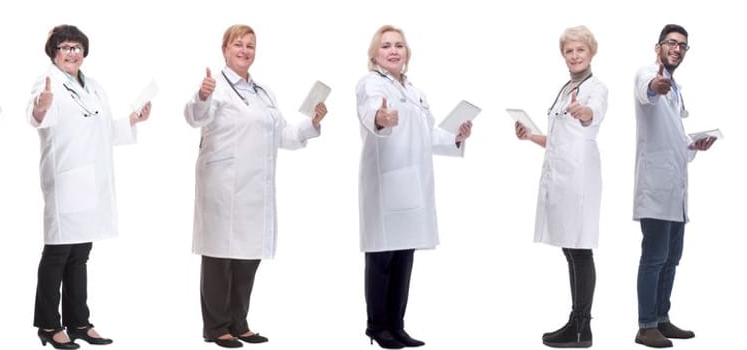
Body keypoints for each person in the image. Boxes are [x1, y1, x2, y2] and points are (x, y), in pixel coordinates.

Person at [182, 24, 324, 349]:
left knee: (247, 257)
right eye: (238, 45)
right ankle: (216, 327)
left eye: (250, 45)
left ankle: (239, 322)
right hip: (223, 186)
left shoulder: (263, 92)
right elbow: (195, 116)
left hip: (255, 188)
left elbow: (283, 135)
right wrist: (201, 96)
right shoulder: (214, 86)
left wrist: (313, 123)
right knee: (220, 257)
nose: (244, 50)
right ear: (225, 49)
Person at [26, 24, 148, 350]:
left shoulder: (93, 86)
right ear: (54, 52)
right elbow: (37, 115)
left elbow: (105, 129)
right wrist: (41, 104)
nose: (72, 53)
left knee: (80, 254)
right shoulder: (47, 82)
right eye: (65, 47)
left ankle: (78, 321)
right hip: (66, 179)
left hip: (91, 182)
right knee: (58, 253)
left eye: (77, 47)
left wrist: (133, 120)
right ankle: (49, 326)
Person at [353, 24, 471, 349]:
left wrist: (456, 136)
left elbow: (429, 135)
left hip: (413, 184)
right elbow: (370, 113)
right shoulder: (370, 84)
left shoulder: (414, 91)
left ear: (407, 53)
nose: (393, 51)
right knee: (382, 257)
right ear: (374, 54)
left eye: (399, 46)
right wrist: (381, 118)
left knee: (404, 255)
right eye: (386, 45)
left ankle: (398, 326)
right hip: (386, 182)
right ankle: (377, 328)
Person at [511, 25, 607, 349]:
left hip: (579, 178)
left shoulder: (595, 88)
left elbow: (591, 115)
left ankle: (583, 327)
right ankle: (575, 321)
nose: (575, 55)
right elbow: (559, 140)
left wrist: (584, 112)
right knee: (570, 248)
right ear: (563, 55)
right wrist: (531, 136)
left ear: (591, 53)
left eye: (581, 50)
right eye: (569, 51)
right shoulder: (567, 88)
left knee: (580, 248)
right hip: (562, 174)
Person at [630, 24, 711, 349]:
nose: (677, 49)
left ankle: (661, 319)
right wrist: (655, 85)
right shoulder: (648, 74)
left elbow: (673, 139)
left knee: (672, 257)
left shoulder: (676, 88)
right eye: (672, 43)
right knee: (654, 257)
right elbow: (646, 89)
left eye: (682, 46)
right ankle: (645, 325)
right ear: (658, 46)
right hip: (655, 187)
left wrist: (694, 145)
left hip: (675, 191)